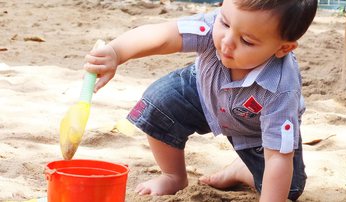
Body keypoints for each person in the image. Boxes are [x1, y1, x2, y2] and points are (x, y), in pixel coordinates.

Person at [84, 0, 317, 201]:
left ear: (283, 48)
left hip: (255, 129)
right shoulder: (212, 27)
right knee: (158, 102)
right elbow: (164, 36)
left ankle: (242, 170)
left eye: (246, 40)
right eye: (224, 23)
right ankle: (173, 176)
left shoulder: (281, 89)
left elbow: (278, 156)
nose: (227, 41)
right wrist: (116, 52)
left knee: (290, 187)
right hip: (204, 90)